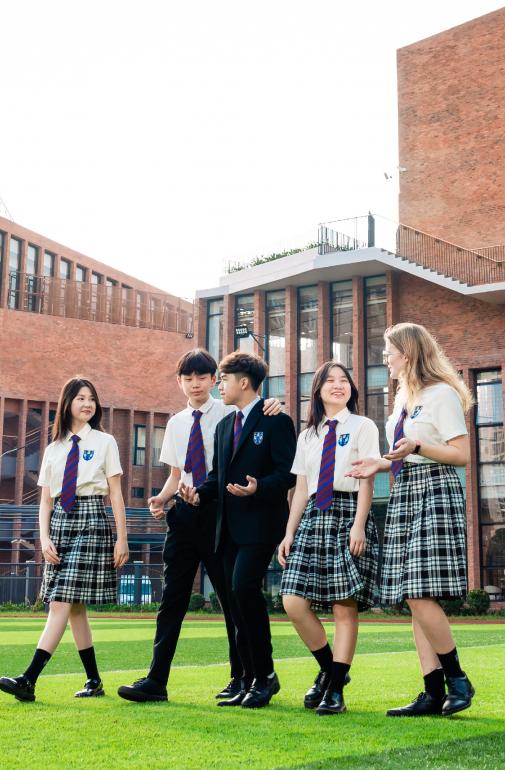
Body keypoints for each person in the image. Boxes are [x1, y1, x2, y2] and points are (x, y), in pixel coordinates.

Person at [117, 348, 282, 703]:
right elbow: (177, 475)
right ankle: (156, 680)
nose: (195, 384)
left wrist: (275, 403)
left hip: (221, 515)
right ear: (179, 382)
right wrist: (162, 499)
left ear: (213, 380)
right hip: (184, 514)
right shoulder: (176, 423)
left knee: (231, 599)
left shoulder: (229, 411)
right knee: (171, 599)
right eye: (187, 378)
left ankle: (242, 676)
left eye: (203, 377)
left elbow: (257, 412)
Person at [347, 322, 473, 717]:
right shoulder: (404, 398)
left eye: (389, 351)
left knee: (419, 591)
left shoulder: (441, 395)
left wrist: (417, 445)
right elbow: (405, 453)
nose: (385, 358)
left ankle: (457, 680)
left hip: (434, 489)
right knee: (412, 595)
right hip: (405, 491)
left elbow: (461, 455)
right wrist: (379, 464)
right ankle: (432, 692)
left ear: (408, 352)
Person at [0, 377, 128, 703]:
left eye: (92, 399)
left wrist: (121, 539)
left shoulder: (105, 442)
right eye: (81, 398)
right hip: (59, 522)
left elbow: (115, 495)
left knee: (60, 602)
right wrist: (43, 539)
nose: (88, 404)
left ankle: (28, 679)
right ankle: (94, 680)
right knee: (75, 609)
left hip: (91, 520)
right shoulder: (54, 449)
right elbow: (45, 500)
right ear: (67, 403)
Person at [180, 351, 296, 709]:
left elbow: (288, 473)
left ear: (244, 382)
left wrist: (257, 487)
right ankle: (248, 677)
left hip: (261, 524)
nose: (220, 385)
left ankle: (265, 676)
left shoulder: (276, 419)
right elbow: (218, 476)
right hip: (226, 527)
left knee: (244, 589)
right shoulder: (223, 425)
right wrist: (197, 493)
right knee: (234, 598)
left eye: (224, 379)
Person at [278, 361, 380, 715]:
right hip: (313, 518)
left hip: (348, 511)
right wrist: (289, 532)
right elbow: (302, 488)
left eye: (344, 380)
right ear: (318, 390)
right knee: (292, 601)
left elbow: (367, 479)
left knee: (343, 605)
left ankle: (335, 689)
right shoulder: (308, 435)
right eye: (330, 381)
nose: (338, 385)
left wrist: (359, 524)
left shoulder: (363, 426)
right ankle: (328, 669)